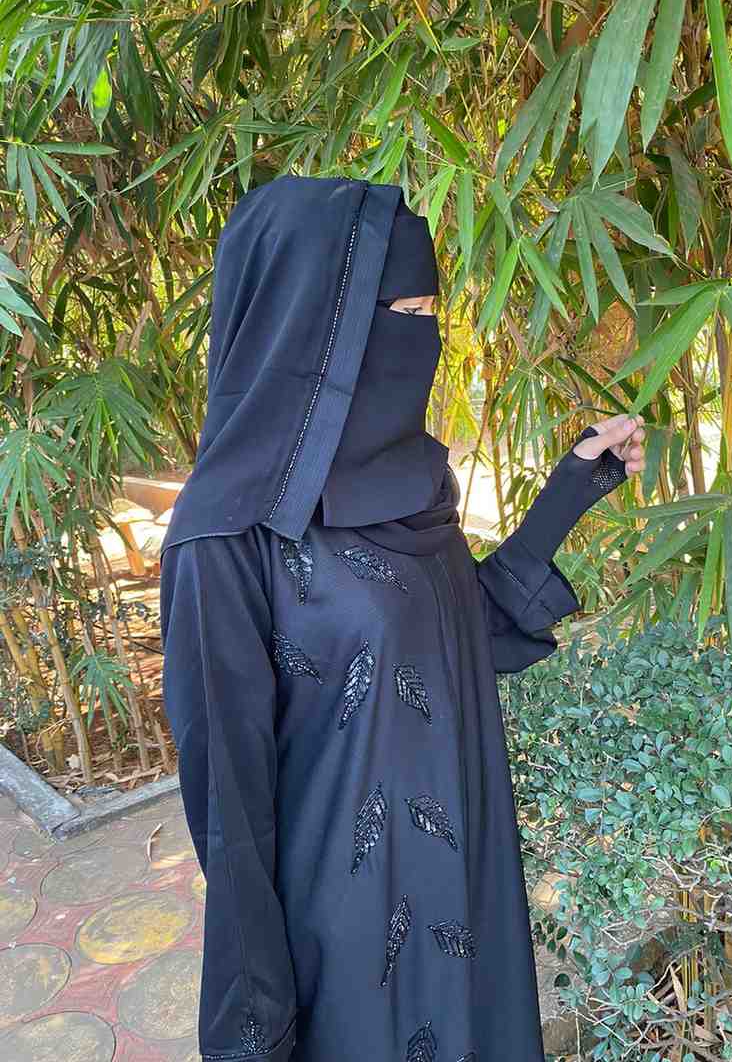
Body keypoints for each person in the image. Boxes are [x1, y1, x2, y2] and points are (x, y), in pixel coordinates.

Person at [159, 174, 646, 1062]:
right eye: (403, 312)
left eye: (430, 312)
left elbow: (460, 637)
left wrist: (571, 488)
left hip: (470, 898)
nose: (424, 336)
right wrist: (255, 1033)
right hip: (348, 957)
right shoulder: (225, 540)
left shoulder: (412, 486)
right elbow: (232, 820)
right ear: (316, 330)